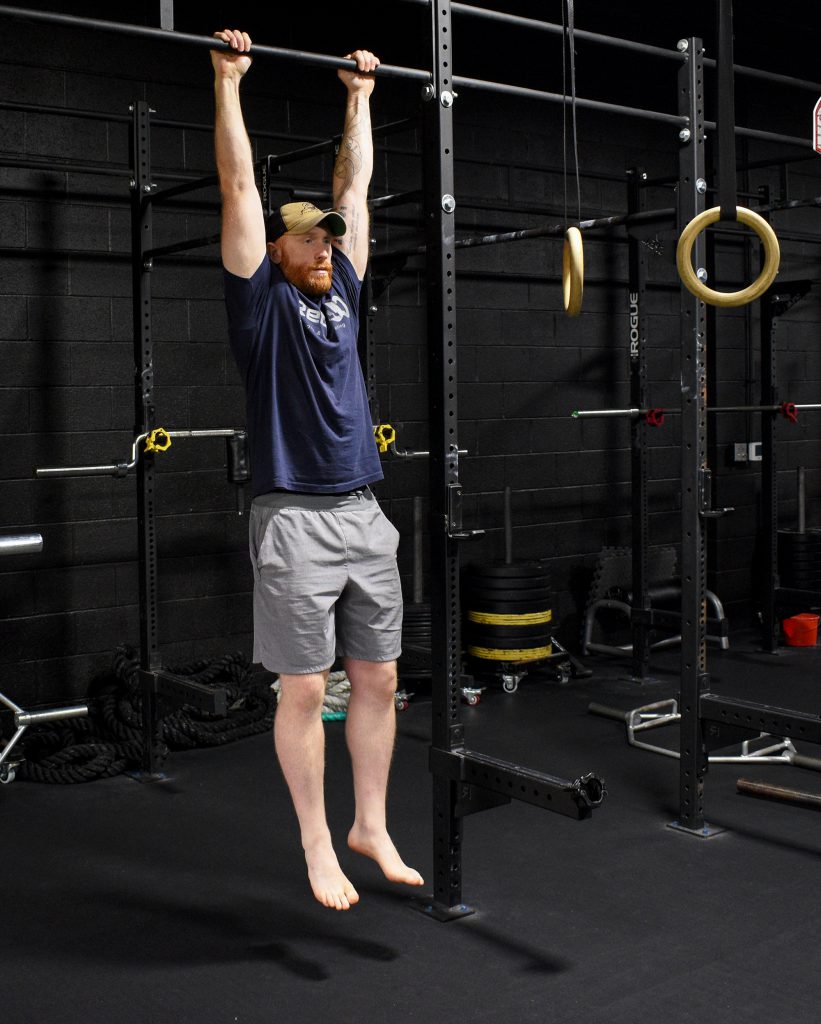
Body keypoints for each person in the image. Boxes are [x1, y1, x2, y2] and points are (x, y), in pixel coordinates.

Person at [211, 29, 423, 911]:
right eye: (310, 240)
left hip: (363, 509)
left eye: (330, 240)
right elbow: (237, 186)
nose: (326, 246)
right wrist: (229, 83)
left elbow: (355, 190)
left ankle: (368, 824)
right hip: (292, 515)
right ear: (279, 253)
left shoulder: (344, 292)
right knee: (304, 687)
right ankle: (314, 843)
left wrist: (360, 98)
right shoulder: (258, 303)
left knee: (376, 677)